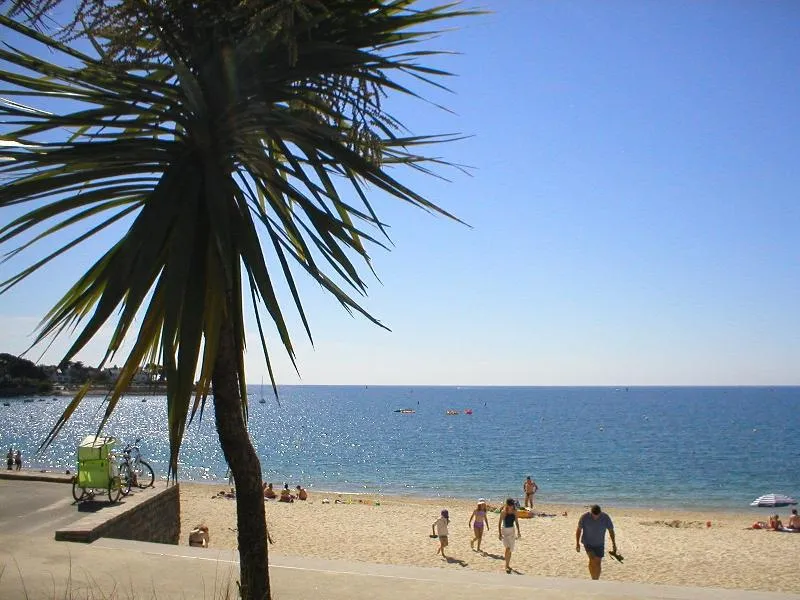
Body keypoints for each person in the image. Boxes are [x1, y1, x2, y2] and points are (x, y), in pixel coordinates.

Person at [576, 504, 618, 580]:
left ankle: (596, 579)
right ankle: (593, 579)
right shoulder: (584, 517)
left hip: (600, 543)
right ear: (591, 512)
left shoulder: (605, 517)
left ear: (600, 513)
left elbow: (611, 531)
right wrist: (577, 543)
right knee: (592, 559)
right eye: (593, 515)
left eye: (597, 515)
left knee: (598, 562)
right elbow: (579, 530)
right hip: (587, 543)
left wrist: (614, 544)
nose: (595, 517)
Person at [498, 497, 521, 573]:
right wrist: (499, 533)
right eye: (510, 505)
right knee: (507, 548)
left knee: (510, 549)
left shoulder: (515, 511)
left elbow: (517, 522)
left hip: (512, 531)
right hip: (504, 530)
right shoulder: (503, 512)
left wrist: (519, 532)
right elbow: (499, 523)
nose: (511, 506)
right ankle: (506, 565)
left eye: (512, 505)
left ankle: (508, 564)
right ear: (507, 505)